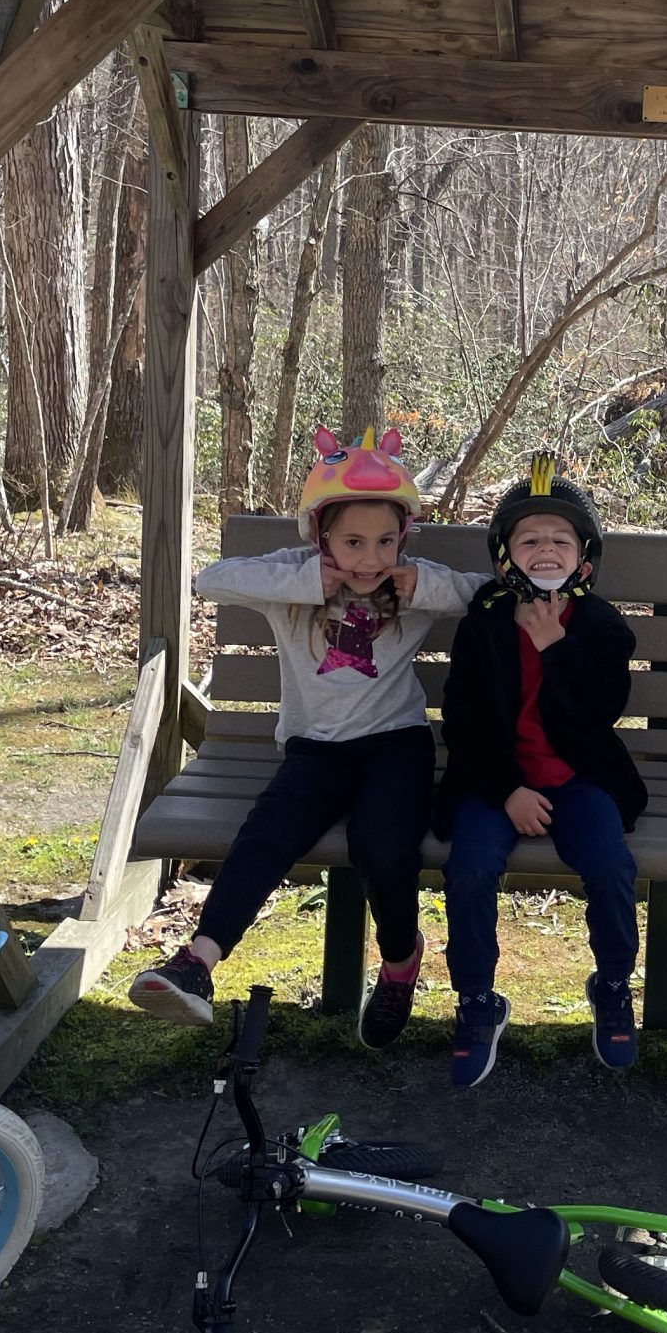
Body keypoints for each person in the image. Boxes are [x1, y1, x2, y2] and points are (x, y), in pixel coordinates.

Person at [130, 428, 481, 1044]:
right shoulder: (291, 580)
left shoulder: (412, 582)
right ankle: (197, 965)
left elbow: (487, 595)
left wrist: (425, 586)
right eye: (351, 541)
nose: (370, 558)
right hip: (315, 750)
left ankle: (400, 964)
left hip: (396, 743)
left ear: (403, 537)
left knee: (383, 848)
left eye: (384, 540)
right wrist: (301, 583)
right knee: (269, 833)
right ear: (320, 538)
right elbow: (211, 579)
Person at [436, 455, 645, 1085]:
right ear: (506, 555)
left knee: (609, 865)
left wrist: (556, 648)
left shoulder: (603, 628)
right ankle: (477, 999)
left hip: (579, 778)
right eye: (529, 539)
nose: (545, 548)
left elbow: (597, 713)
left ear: (584, 556)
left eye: (560, 539)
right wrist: (506, 792)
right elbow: (463, 721)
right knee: (468, 866)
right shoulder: (485, 621)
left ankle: (611, 984)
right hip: (494, 779)